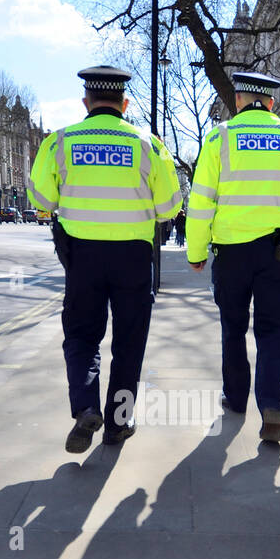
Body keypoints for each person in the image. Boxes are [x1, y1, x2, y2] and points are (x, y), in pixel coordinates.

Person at [28, 65, 182, 452]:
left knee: (81, 336)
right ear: (124, 103)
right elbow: (169, 206)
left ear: (87, 101)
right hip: (133, 256)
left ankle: (85, 408)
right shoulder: (148, 144)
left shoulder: (59, 141)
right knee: (129, 342)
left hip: (82, 255)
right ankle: (118, 423)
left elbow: (40, 200)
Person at [186, 71, 280, 444]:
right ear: (271, 102)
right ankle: (272, 405)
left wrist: (196, 252)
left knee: (233, 328)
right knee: (273, 330)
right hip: (278, 253)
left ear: (239, 100)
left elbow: (200, 204)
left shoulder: (219, 138)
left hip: (231, 254)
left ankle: (237, 399)